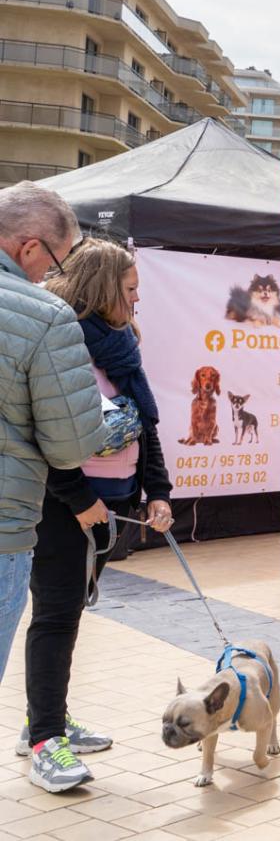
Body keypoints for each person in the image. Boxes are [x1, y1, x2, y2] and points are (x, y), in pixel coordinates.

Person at [24, 238, 174, 793]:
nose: (137, 300)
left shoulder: (122, 343)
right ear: (104, 287)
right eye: (130, 289)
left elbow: (145, 423)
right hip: (64, 506)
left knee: (67, 616)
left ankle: (47, 720)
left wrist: (157, 491)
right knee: (56, 616)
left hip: (110, 504)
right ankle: (45, 741)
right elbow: (44, 435)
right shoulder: (58, 340)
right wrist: (80, 499)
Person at [0, 183, 105, 693]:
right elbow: (71, 446)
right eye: (55, 263)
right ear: (29, 248)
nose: (49, 277)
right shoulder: (44, 315)